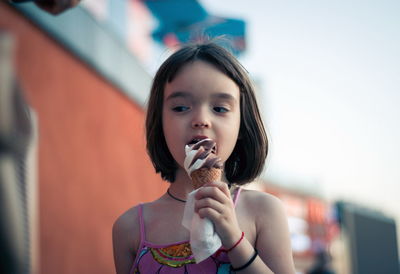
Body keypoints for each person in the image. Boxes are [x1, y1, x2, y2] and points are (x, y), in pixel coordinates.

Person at [112, 40, 296, 273]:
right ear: (160, 123)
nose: (201, 119)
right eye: (180, 108)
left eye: (219, 108)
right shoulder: (130, 228)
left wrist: (234, 239)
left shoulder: (264, 211)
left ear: (242, 124)